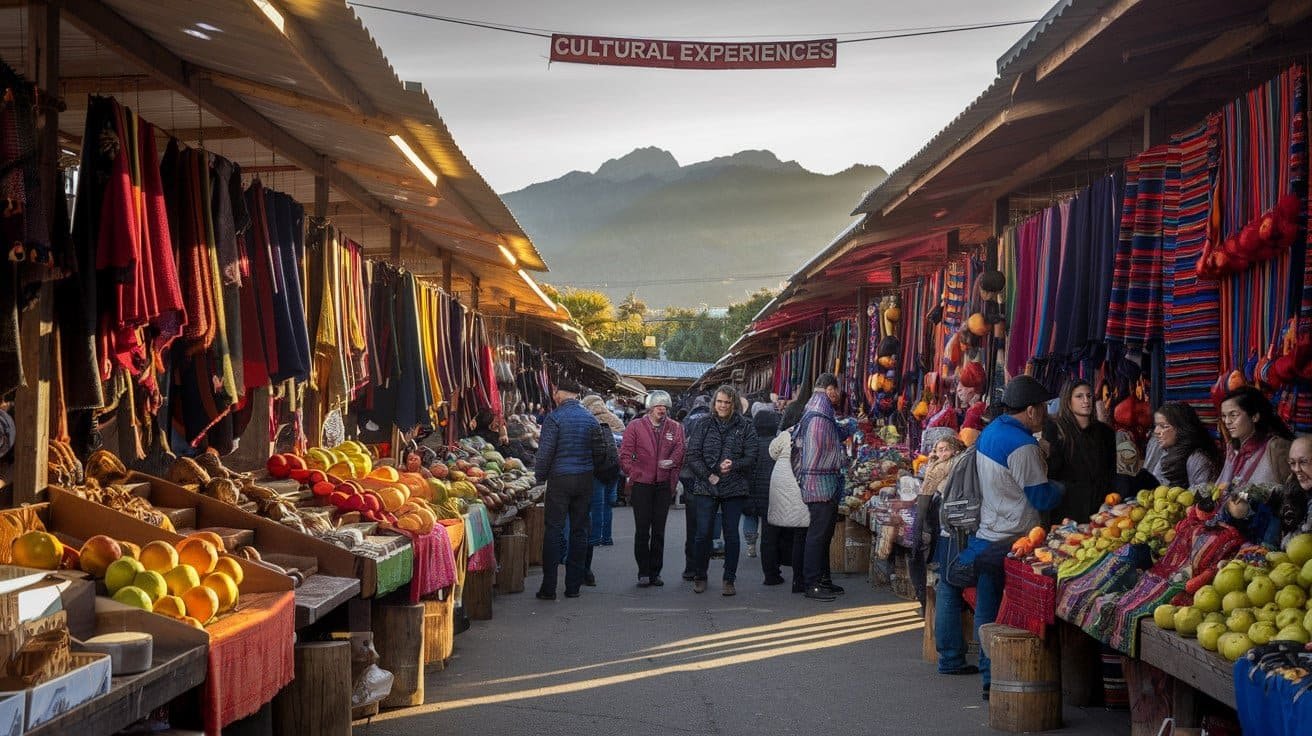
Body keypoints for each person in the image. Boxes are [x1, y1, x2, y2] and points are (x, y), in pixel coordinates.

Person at [972, 375, 1062, 699]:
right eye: (1043, 408)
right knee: (1014, 612)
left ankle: (988, 678)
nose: (1046, 414)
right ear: (1032, 410)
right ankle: (1008, 678)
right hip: (1015, 539)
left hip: (988, 531)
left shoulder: (991, 432)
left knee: (987, 607)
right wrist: (1065, 485)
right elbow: (1041, 497)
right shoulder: (1023, 445)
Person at [685, 384, 758, 596]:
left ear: (733, 403)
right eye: (719, 401)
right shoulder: (703, 424)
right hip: (706, 486)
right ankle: (700, 575)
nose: (723, 405)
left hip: (734, 487)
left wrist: (734, 465)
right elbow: (692, 455)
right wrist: (709, 475)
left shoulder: (745, 426)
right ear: (714, 403)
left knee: (731, 535)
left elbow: (752, 456)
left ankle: (729, 579)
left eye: (727, 402)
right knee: (702, 533)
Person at [534, 378, 601, 600]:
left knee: (553, 530)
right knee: (579, 531)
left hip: (560, 479)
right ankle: (573, 587)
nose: (553, 395)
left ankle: (549, 587)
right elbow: (598, 451)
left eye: (555, 392)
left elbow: (544, 454)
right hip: (584, 479)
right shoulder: (590, 419)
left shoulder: (555, 418)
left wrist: (540, 477)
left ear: (560, 394)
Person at [793, 374, 851, 602]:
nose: (838, 396)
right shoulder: (820, 412)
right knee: (818, 534)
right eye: (837, 390)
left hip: (818, 482)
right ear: (830, 389)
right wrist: (841, 461)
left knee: (824, 534)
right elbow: (825, 446)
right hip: (821, 483)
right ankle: (812, 583)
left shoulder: (817, 409)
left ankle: (823, 579)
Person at [619, 390, 686, 587]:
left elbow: (681, 449)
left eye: (665, 407)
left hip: (663, 485)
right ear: (650, 407)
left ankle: (655, 572)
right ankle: (643, 572)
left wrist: (671, 462)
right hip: (642, 485)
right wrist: (634, 472)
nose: (661, 410)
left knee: (659, 531)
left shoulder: (675, 427)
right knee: (642, 530)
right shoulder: (635, 426)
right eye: (658, 407)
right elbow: (625, 454)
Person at [1042, 379, 1117, 523]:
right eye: (1079, 396)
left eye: (1089, 396)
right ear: (1068, 401)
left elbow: (1111, 472)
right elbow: (1052, 473)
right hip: (1066, 511)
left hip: (1099, 509)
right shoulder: (1055, 430)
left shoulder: (1105, 433)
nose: (1086, 401)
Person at [766, 400, 809, 589]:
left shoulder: (786, 434)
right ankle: (798, 580)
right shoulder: (811, 433)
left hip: (780, 484)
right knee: (801, 533)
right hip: (800, 483)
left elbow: (772, 452)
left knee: (774, 532)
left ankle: (772, 574)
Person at [1218, 387, 1294, 488]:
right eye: (1224, 416)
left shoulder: (1276, 447)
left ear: (1254, 416)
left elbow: (1292, 494)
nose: (1227, 421)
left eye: (1233, 415)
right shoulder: (1233, 449)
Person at [1143, 402, 1222, 488]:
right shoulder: (1165, 451)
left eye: (1164, 426)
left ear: (1181, 429)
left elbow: (1203, 494)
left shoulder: (1197, 459)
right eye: (1156, 425)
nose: (1156, 431)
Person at [582, 395, 625, 549]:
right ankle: (607, 537)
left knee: (597, 504)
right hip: (614, 466)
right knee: (608, 503)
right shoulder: (615, 419)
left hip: (598, 468)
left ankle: (595, 537)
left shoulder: (590, 421)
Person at [679, 395, 712, 580]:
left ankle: (690, 567)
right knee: (705, 526)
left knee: (691, 525)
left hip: (689, 476)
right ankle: (702, 568)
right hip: (708, 478)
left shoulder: (686, 421)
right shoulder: (713, 421)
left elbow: (680, 449)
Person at [745, 406, 780, 564]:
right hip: (770, 492)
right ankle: (770, 566)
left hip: (751, 491)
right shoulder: (776, 445)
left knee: (750, 517)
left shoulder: (750, 443)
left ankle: (750, 545)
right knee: (769, 528)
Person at [1276, 436, 1312, 544]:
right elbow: (1273, 491)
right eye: (1292, 463)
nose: (1297, 469)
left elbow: (1306, 533)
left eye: (1303, 462)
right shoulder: (1294, 485)